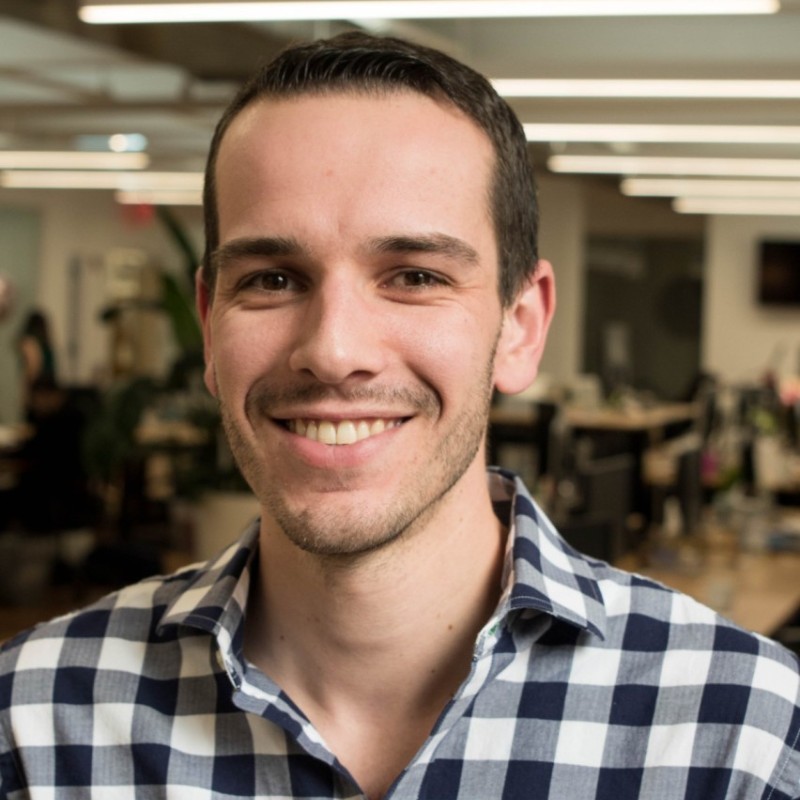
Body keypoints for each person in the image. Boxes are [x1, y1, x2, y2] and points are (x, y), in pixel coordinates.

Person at [0, 32, 798, 800]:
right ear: (210, 326)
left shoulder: (741, 736)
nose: (334, 349)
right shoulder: (35, 730)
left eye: (414, 274)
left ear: (520, 327)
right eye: (273, 279)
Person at [15, 309, 57, 420]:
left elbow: (33, 369)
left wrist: (26, 393)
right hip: (50, 392)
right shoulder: (46, 344)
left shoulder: (29, 342)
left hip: (38, 394)